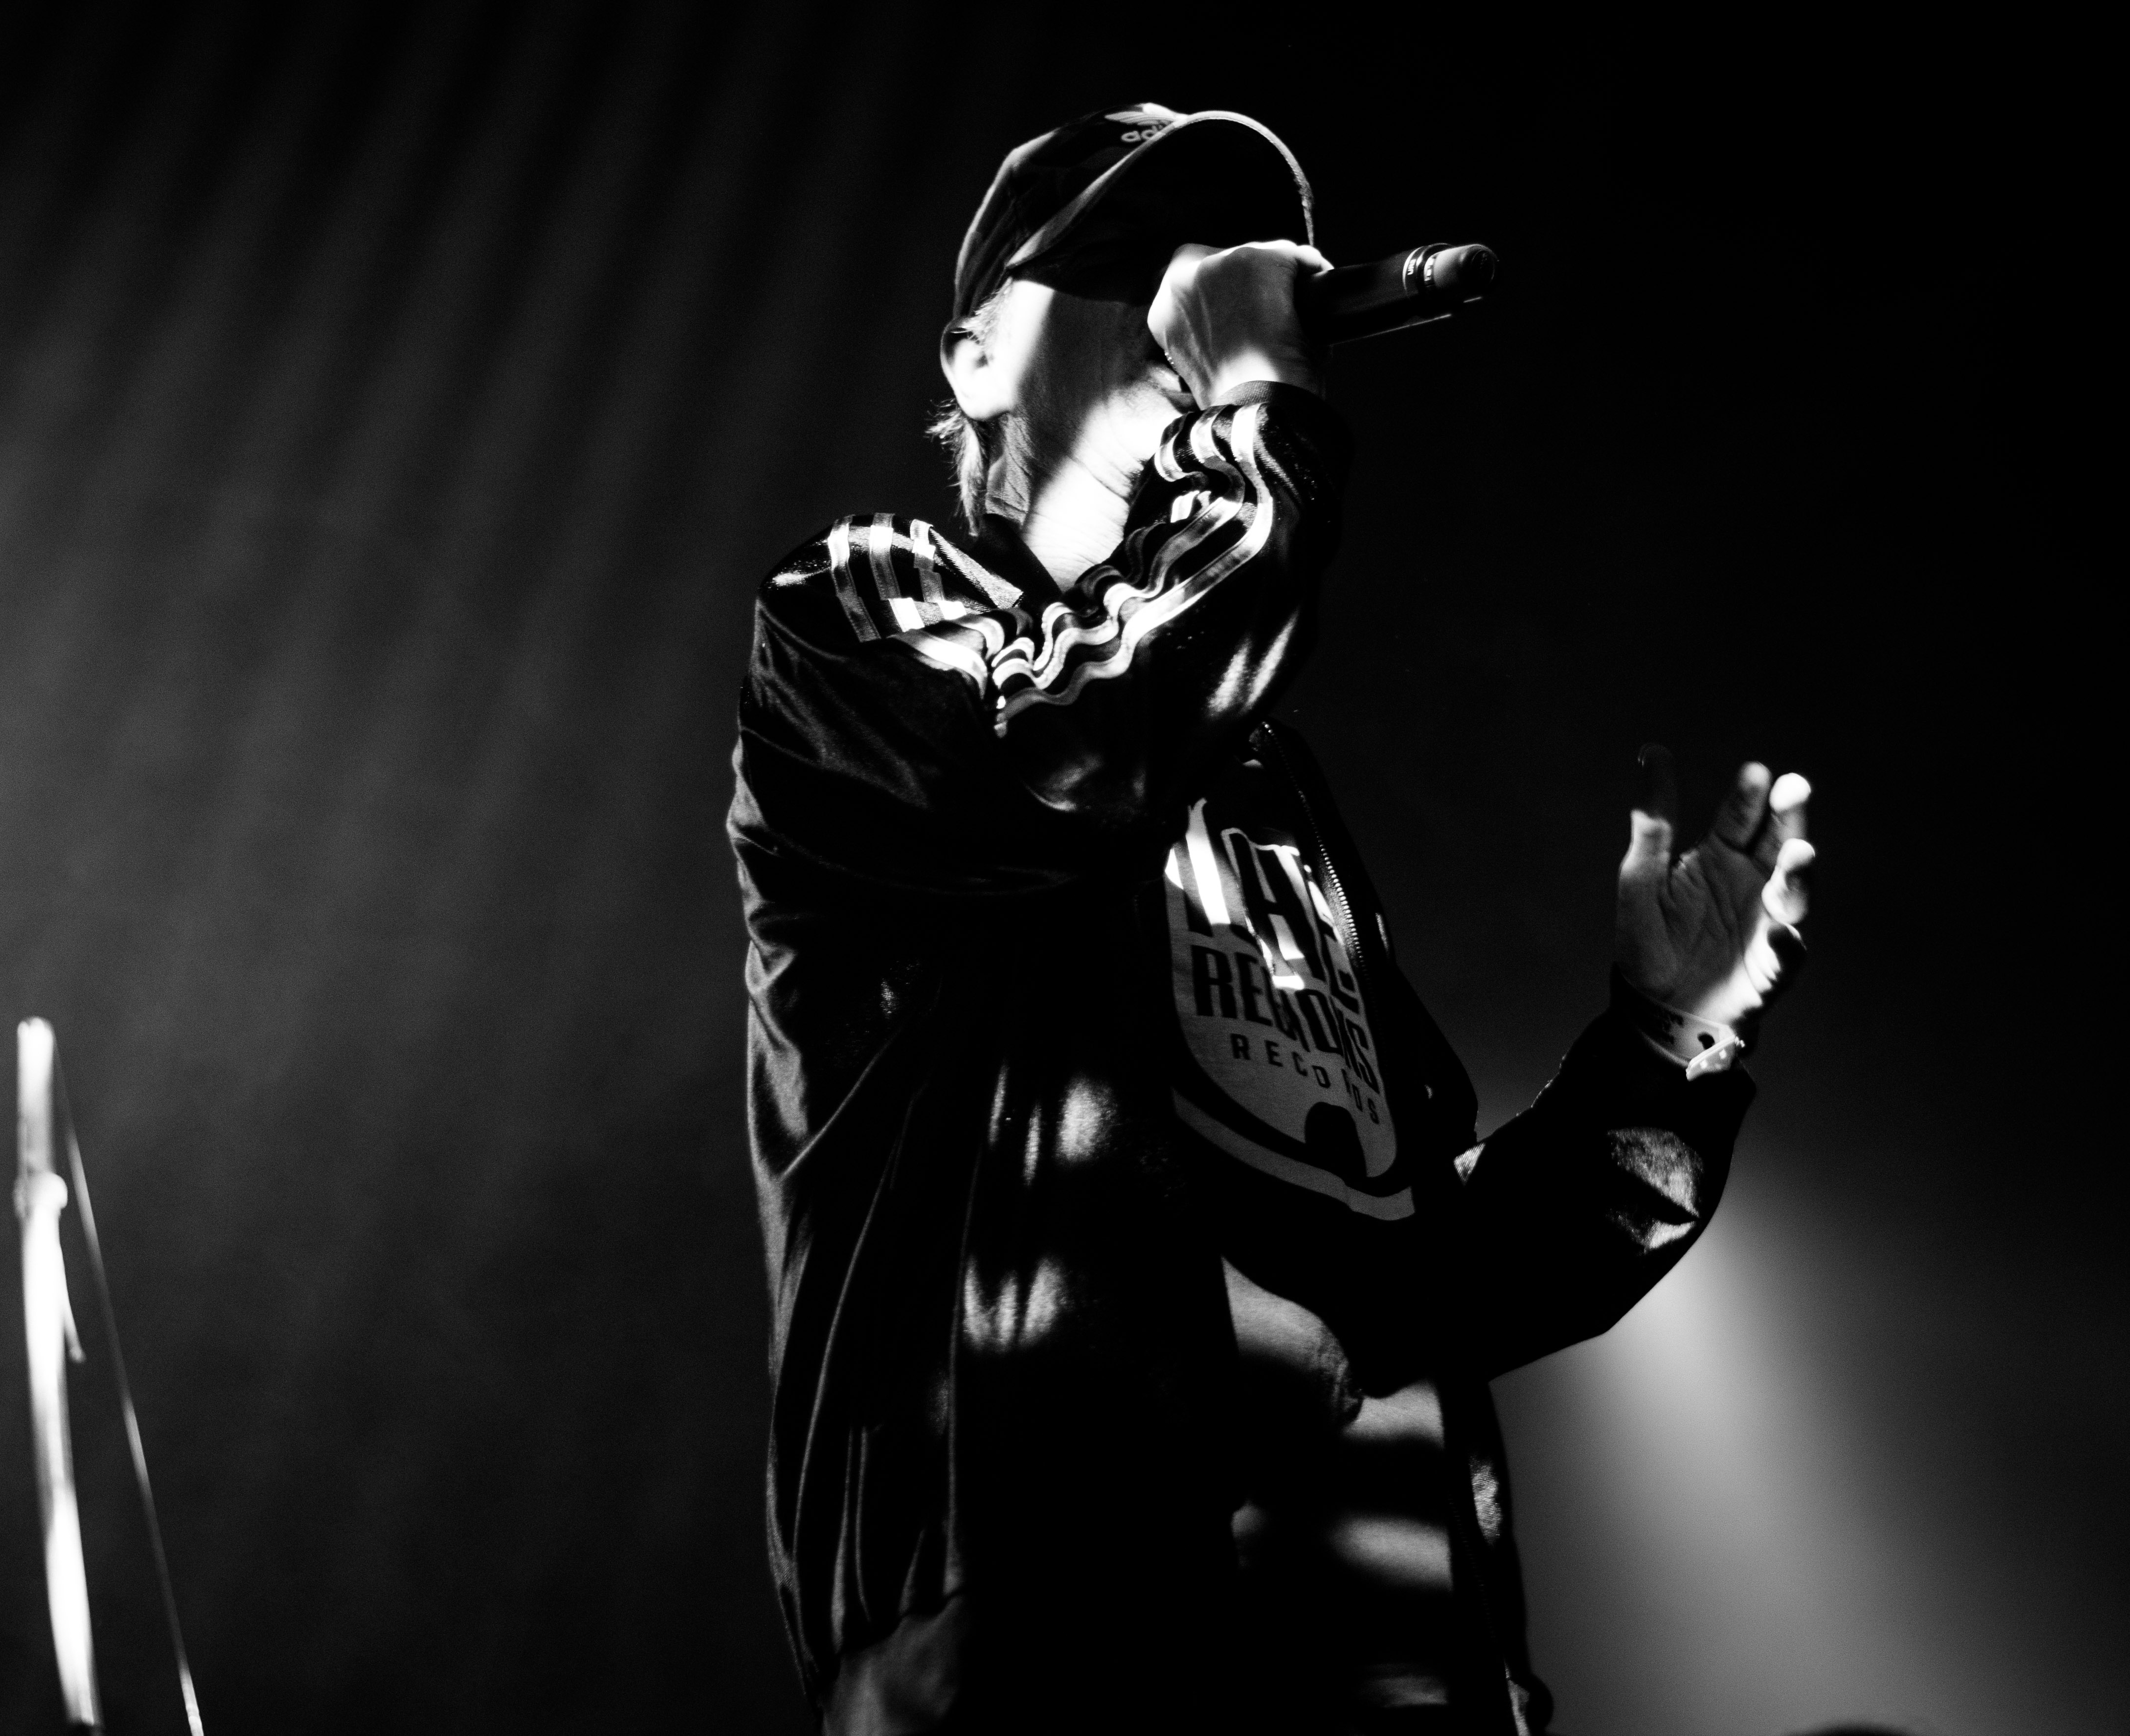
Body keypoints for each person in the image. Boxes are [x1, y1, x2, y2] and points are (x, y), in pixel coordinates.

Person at [728, 102, 1814, 1734]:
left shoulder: (1261, 778)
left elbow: (1421, 1281)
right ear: (973, 360)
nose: (1188, 298)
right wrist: (1268, 424)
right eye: (1132, 261)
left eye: (1224, 267)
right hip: (1063, 1661)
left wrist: (1665, 1048)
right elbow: (1072, 749)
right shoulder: (863, 618)